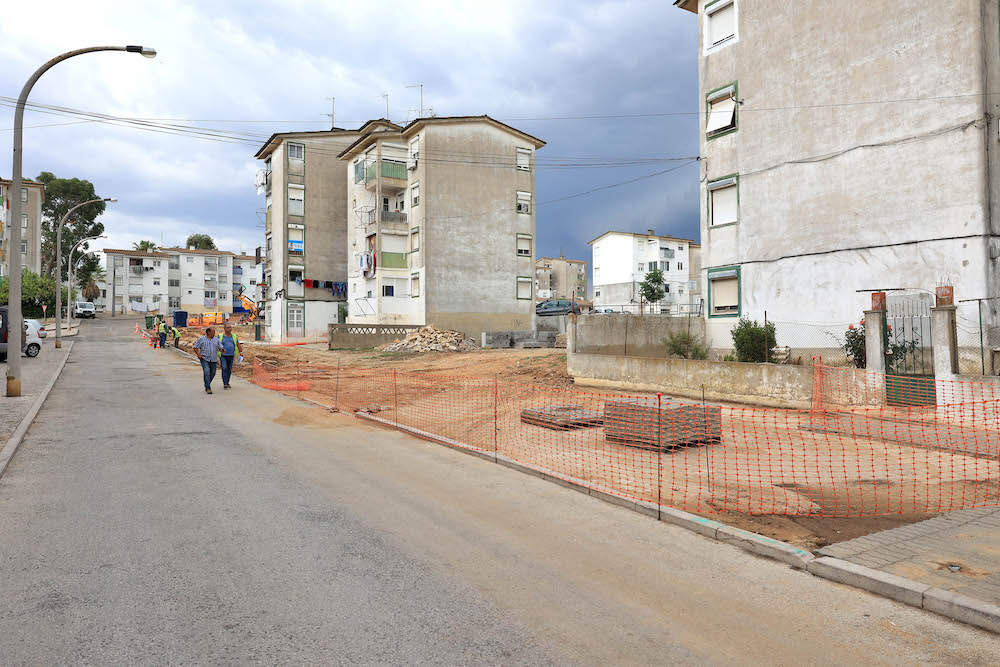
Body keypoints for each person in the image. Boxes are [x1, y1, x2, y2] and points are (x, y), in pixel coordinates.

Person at [192, 327, 222, 394]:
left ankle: (206, 384)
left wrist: (222, 350)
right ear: (208, 332)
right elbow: (195, 347)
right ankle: (208, 387)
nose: (214, 333)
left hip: (214, 359)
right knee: (207, 372)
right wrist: (198, 354)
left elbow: (220, 347)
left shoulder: (216, 340)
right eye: (213, 332)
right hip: (204, 358)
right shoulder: (201, 339)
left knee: (213, 373)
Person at [218, 323, 241, 390]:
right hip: (223, 356)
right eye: (228, 327)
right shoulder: (220, 336)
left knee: (229, 370)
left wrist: (241, 352)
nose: (230, 329)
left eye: (230, 327)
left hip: (231, 355)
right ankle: (225, 383)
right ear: (224, 329)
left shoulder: (234, 336)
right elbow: (216, 344)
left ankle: (227, 382)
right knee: (224, 368)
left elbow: (238, 344)